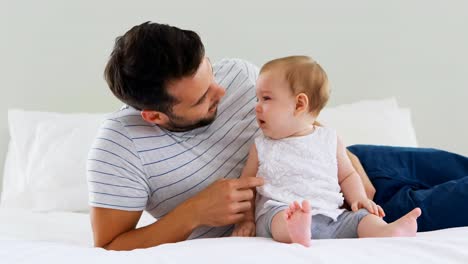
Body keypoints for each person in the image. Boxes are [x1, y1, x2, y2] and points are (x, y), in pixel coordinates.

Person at [87, 21, 468, 251]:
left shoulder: (237, 73)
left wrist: (350, 171)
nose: (222, 91)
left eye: (211, 74)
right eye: (203, 97)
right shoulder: (120, 149)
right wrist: (193, 214)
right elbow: (109, 245)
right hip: (342, 217)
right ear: (154, 115)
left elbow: (305, 122)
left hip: (353, 168)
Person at [231, 56, 421, 246]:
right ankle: (294, 229)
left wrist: (359, 198)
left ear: (299, 104)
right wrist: (246, 220)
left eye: (266, 98)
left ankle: (386, 230)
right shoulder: (262, 145)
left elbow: (347, 175)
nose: (256, 107)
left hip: (332, 216)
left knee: (362, 218)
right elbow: (246, 188)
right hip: (280, 210)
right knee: (278, 217)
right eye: (258, 99)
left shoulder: (329, 138)